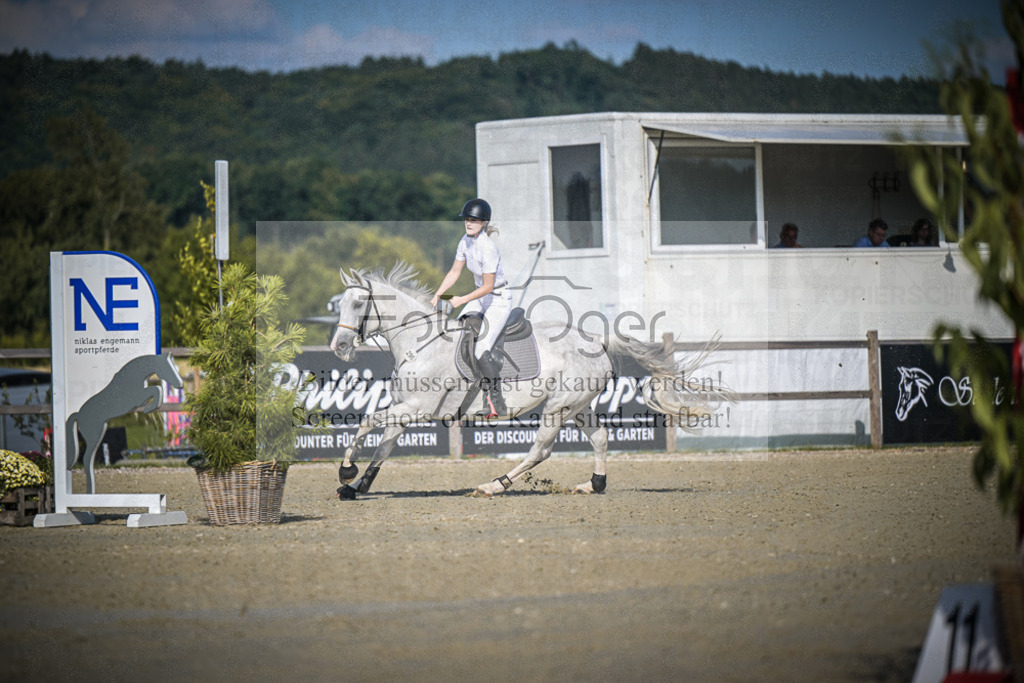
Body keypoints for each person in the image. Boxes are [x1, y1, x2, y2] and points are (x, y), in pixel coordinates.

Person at [431, 198, 512, 418]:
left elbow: (487, 286)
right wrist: (438, 293)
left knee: (480, 349)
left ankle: (497, 401)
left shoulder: (488, 248)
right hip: (480, 296)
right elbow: (455, 272)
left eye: (474, 220)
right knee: (459, 333)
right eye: (467, 219)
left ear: (484, 223)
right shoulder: (464, 241)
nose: (469, 223)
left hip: (497, 298)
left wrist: (462, 299)